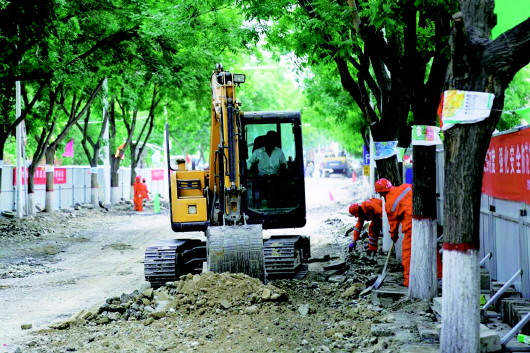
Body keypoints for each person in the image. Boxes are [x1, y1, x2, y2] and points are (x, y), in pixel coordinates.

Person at [375, 178, 413, 287]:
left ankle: (408, 280)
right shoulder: (405, 186)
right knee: (431, 249)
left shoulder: (389, 204)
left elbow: (393, 225)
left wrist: (394, 236)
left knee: (407, 253)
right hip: (425, 220)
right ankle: (439, 274)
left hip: (411, 226)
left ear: (381, 193)